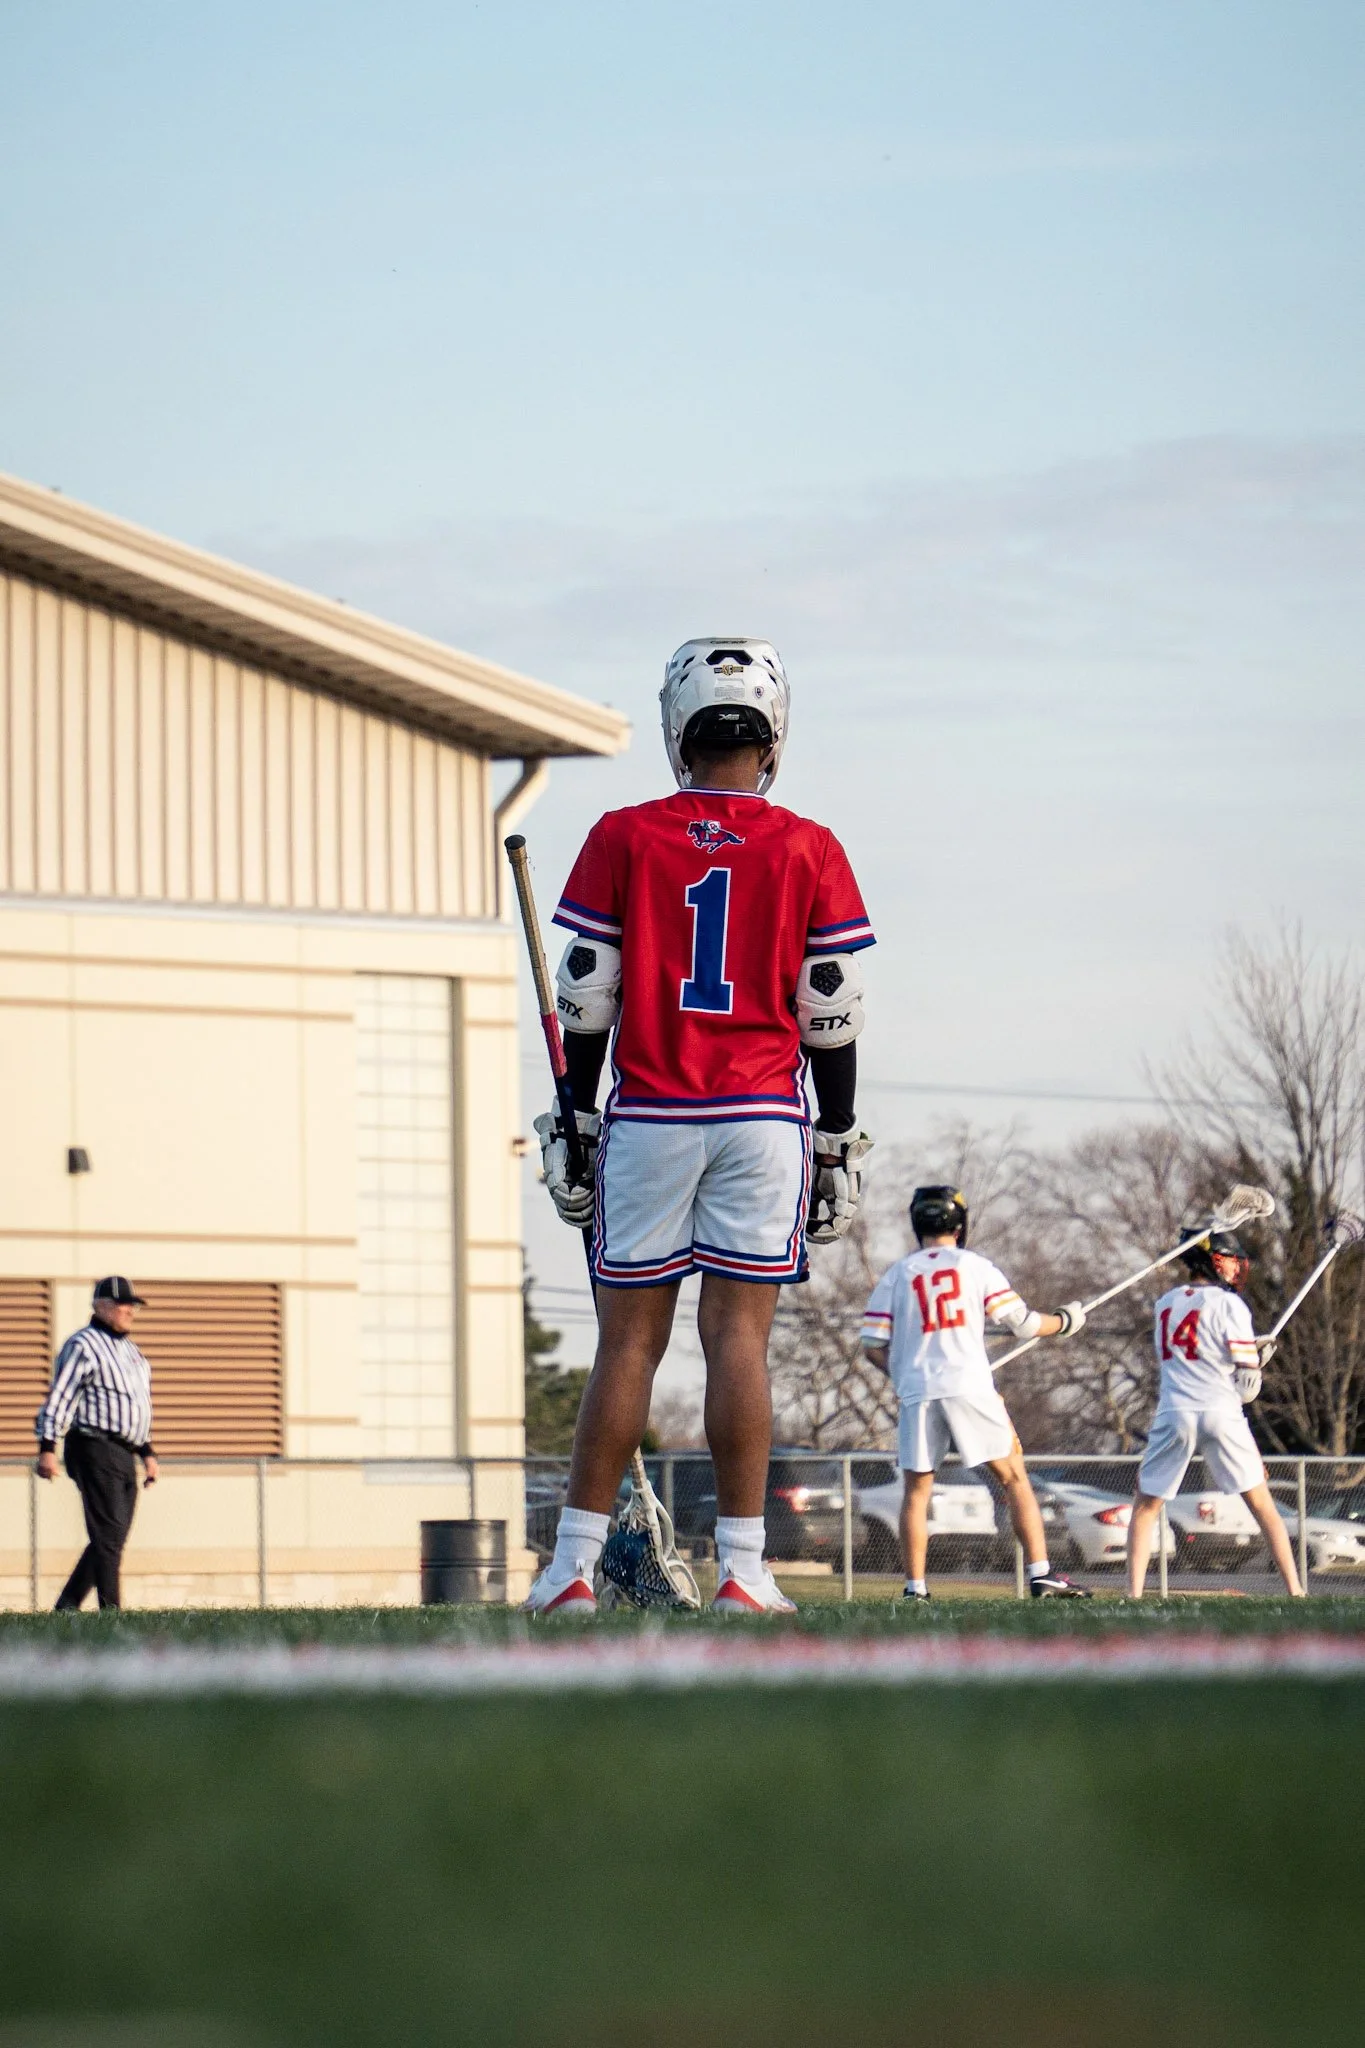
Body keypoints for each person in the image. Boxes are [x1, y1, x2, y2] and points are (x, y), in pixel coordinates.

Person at [526, 638, 875, 1615]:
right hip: (762, 1114)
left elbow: (587, 994)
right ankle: (743, 1570)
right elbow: (831, 1006)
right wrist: (838, 1134)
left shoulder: (623, 834)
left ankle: (571, 1569)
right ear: (773, 737)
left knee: (628, 1344)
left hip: (652, 1109)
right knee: (738, 1339)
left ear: (678, 733)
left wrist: (576, 1113)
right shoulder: (808, 844)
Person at [861, 1186, 1092, 1600]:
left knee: (917, 1492)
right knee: (1014, 1478)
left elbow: (871, 1345)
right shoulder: (975, 1266)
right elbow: (1023, 1323)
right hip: (969, 1386)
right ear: (959, 1224)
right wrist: (1064, 1322)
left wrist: (904, 1375)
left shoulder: (898, 1274)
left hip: (918, 1393)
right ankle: (1041, 1575)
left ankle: (915, 1589)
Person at [1126, 1225, 1302, 1597]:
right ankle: (1295, 1590)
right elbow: (1247, 1388)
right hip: (1220, 1411)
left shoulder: (1165, 1303)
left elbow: (1192, 1353)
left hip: (1174, 1411)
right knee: (1262, 1506)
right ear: (1214, 1262)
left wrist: (1246, 1355)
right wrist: (1256, 1359)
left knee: (1145, 1507)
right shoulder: (1229, 1304)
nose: (1237, 1267)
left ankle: (1134, 1595)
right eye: (1231, 1260)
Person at [35, 1276, 158, 1611]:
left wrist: (147, 1452)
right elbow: (61, 1396)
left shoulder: (132, 1353)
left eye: (132, 1306)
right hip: (93, 1445)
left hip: (124, 1450)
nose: (129, 1311)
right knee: (109, 1536)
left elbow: (136, 1406)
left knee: (111, 1537)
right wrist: (48, 1447)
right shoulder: (84, 1345)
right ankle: (111, 1612)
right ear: (101, 1306)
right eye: (121, 1304)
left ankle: (66, 1606)